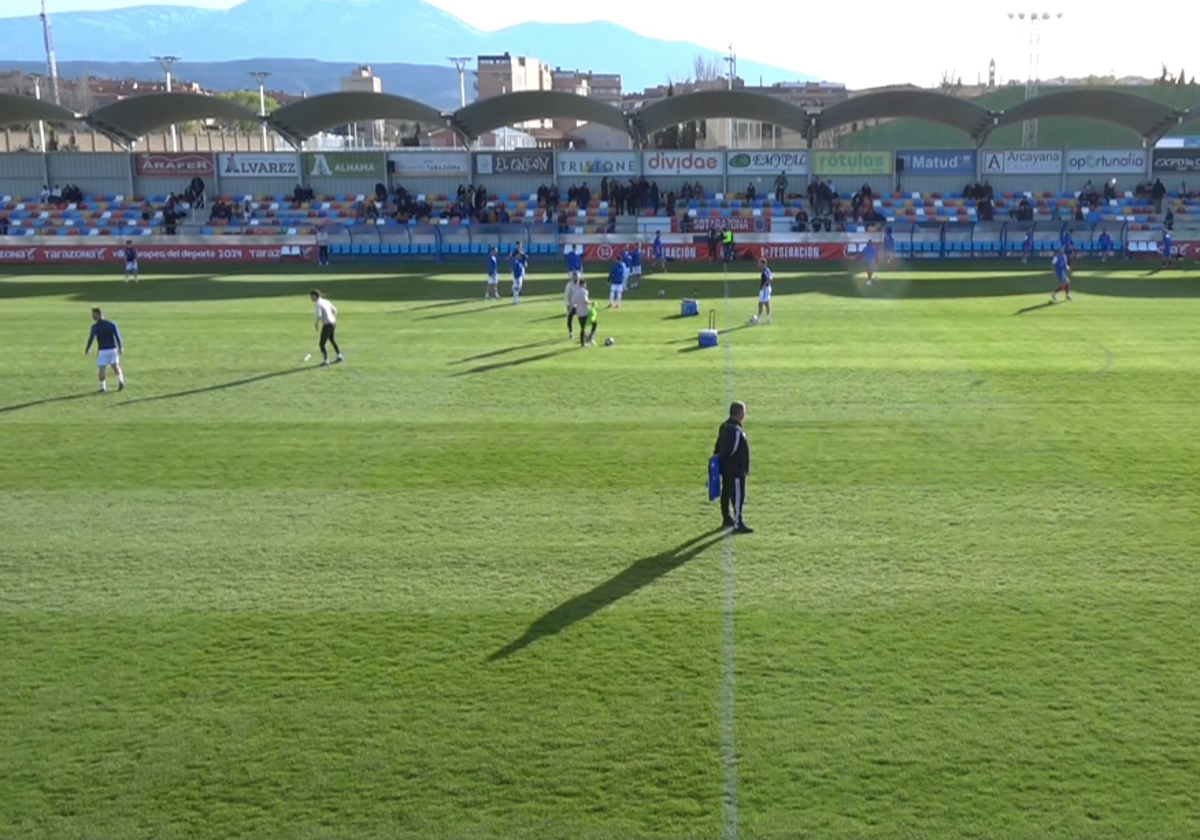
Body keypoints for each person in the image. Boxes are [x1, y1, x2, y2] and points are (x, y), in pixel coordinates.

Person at [713, 401, 752, 533]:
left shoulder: (724, 426)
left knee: (727, 492)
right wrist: (743, 467)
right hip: (735, 470)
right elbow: (732, 450)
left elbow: (718, 447)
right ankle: (737, 522)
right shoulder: (736, 430)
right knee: (737, 495)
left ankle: (727, 518)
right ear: (739, 413)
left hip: (726, 469)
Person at [85, 308, 125, 393]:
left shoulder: (95, 327)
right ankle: (121, 381)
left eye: (93, 315)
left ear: (98, 314)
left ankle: (103, 387)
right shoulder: (111, 324)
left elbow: (91, 338)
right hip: (113, 349)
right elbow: (117, 336)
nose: (92, 317)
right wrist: (120, 347)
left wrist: (88, 349)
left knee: (102, 369)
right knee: (115, 366)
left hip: (103, 350)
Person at [310, 289, 344, 365]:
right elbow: (335, 310)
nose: (311, 298)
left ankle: (326, 360)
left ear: (315, 296)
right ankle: (339, 355)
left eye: (312, 297)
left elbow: (319, 315)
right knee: (332, 339)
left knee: (321, 344)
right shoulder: (326, 301)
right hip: (332, 322)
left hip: (327, 324)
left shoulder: (318, 303)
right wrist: (334, 319)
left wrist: (316, 323)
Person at [754, 258, 772, 324]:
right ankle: (765, 317)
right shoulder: (767, 270)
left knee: (765, 303)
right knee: (762, 303)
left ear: (763, 263)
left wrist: (764, 285)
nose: (758, 264)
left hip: (765, 289)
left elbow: (769, 278)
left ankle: (763, 318)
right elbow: (771, 278)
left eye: (760, 262)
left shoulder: (765, 271)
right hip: (766, 289)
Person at [564, 272, 579, 339]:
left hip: (579, 304)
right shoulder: (569, 285)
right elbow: (566, 296)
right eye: (575, 277)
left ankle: (583, 332)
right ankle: (571, 332)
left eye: (577, 277)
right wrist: (568, 305)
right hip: (572, 305)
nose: (577, 278)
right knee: (570, 320)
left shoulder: (580, 284)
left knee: (583, 319)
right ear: (573, 277)